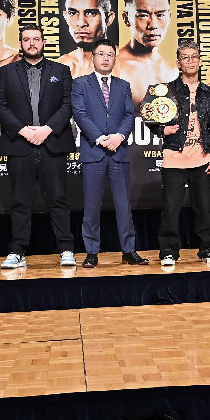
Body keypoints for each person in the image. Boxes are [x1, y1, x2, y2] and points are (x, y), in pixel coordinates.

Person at [0, 25, 77, 268]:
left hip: (52, 144)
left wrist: (46, 130)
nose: (31, 43)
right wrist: (23, 130)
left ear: (43, 43)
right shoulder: (6, 72)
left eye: (36, 39)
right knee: (20, 201)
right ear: (21, 43)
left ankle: (66, 249)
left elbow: (68, 104)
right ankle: (17, 251)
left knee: (59, 200)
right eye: (27, 39)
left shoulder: (60, 70)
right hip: (20, 144)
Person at [71, 38, 147, 267]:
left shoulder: (123, 85)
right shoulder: (80, 84)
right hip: (93, 151)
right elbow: (80, 114)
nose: (105, 59)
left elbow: (129, 115)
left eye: (109, 55)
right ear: (93, 57)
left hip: (118, 151)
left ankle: (129, 250)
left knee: (124, 206)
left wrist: (119, 136)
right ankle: (91, 252)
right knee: (91, 206)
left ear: (115, 58)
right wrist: (100, 138)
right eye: (101, 54)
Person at [156, 40, 210, 267]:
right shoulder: (167, 91)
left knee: (204, 209)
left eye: (194, 56)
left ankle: (208, 249)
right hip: (174, 159)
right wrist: (161, 130)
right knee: (170, 209)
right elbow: (150, 117)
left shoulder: (209, 94)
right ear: (178, 63)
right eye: (185, 57)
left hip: (201, 159)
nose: (190, 61)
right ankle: (168, 251)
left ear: (200, 61)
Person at [114, 0, 179, 106]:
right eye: (143, 15)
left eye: (160, 15)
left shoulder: (172, 70)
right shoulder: (113, 66)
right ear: (126, 19)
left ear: (169, 17)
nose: (153, 25)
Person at [58, 0, 116, 78]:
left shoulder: (126, 64)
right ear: (65, 17)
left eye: (91, 13)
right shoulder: (60, 67)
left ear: (108, 19)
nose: (81, 23)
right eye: (73, 13)